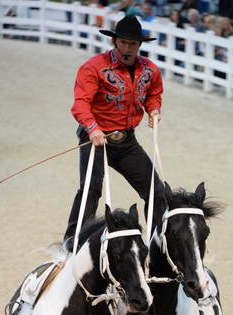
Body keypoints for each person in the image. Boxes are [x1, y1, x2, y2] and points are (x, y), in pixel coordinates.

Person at [64, 15, 166, 246]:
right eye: (122, 43)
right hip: (96, 137)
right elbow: (80, 103)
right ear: (114, 42)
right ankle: (72, 242)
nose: (127, 49)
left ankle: (158, 243)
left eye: (132, 44)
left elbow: (153, 94)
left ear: (139, 46)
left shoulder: (150, 70)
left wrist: (154, 110)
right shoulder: (93, 67)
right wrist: (92, 128)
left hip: (126, 141)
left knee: (156, 191)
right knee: (91, 190)